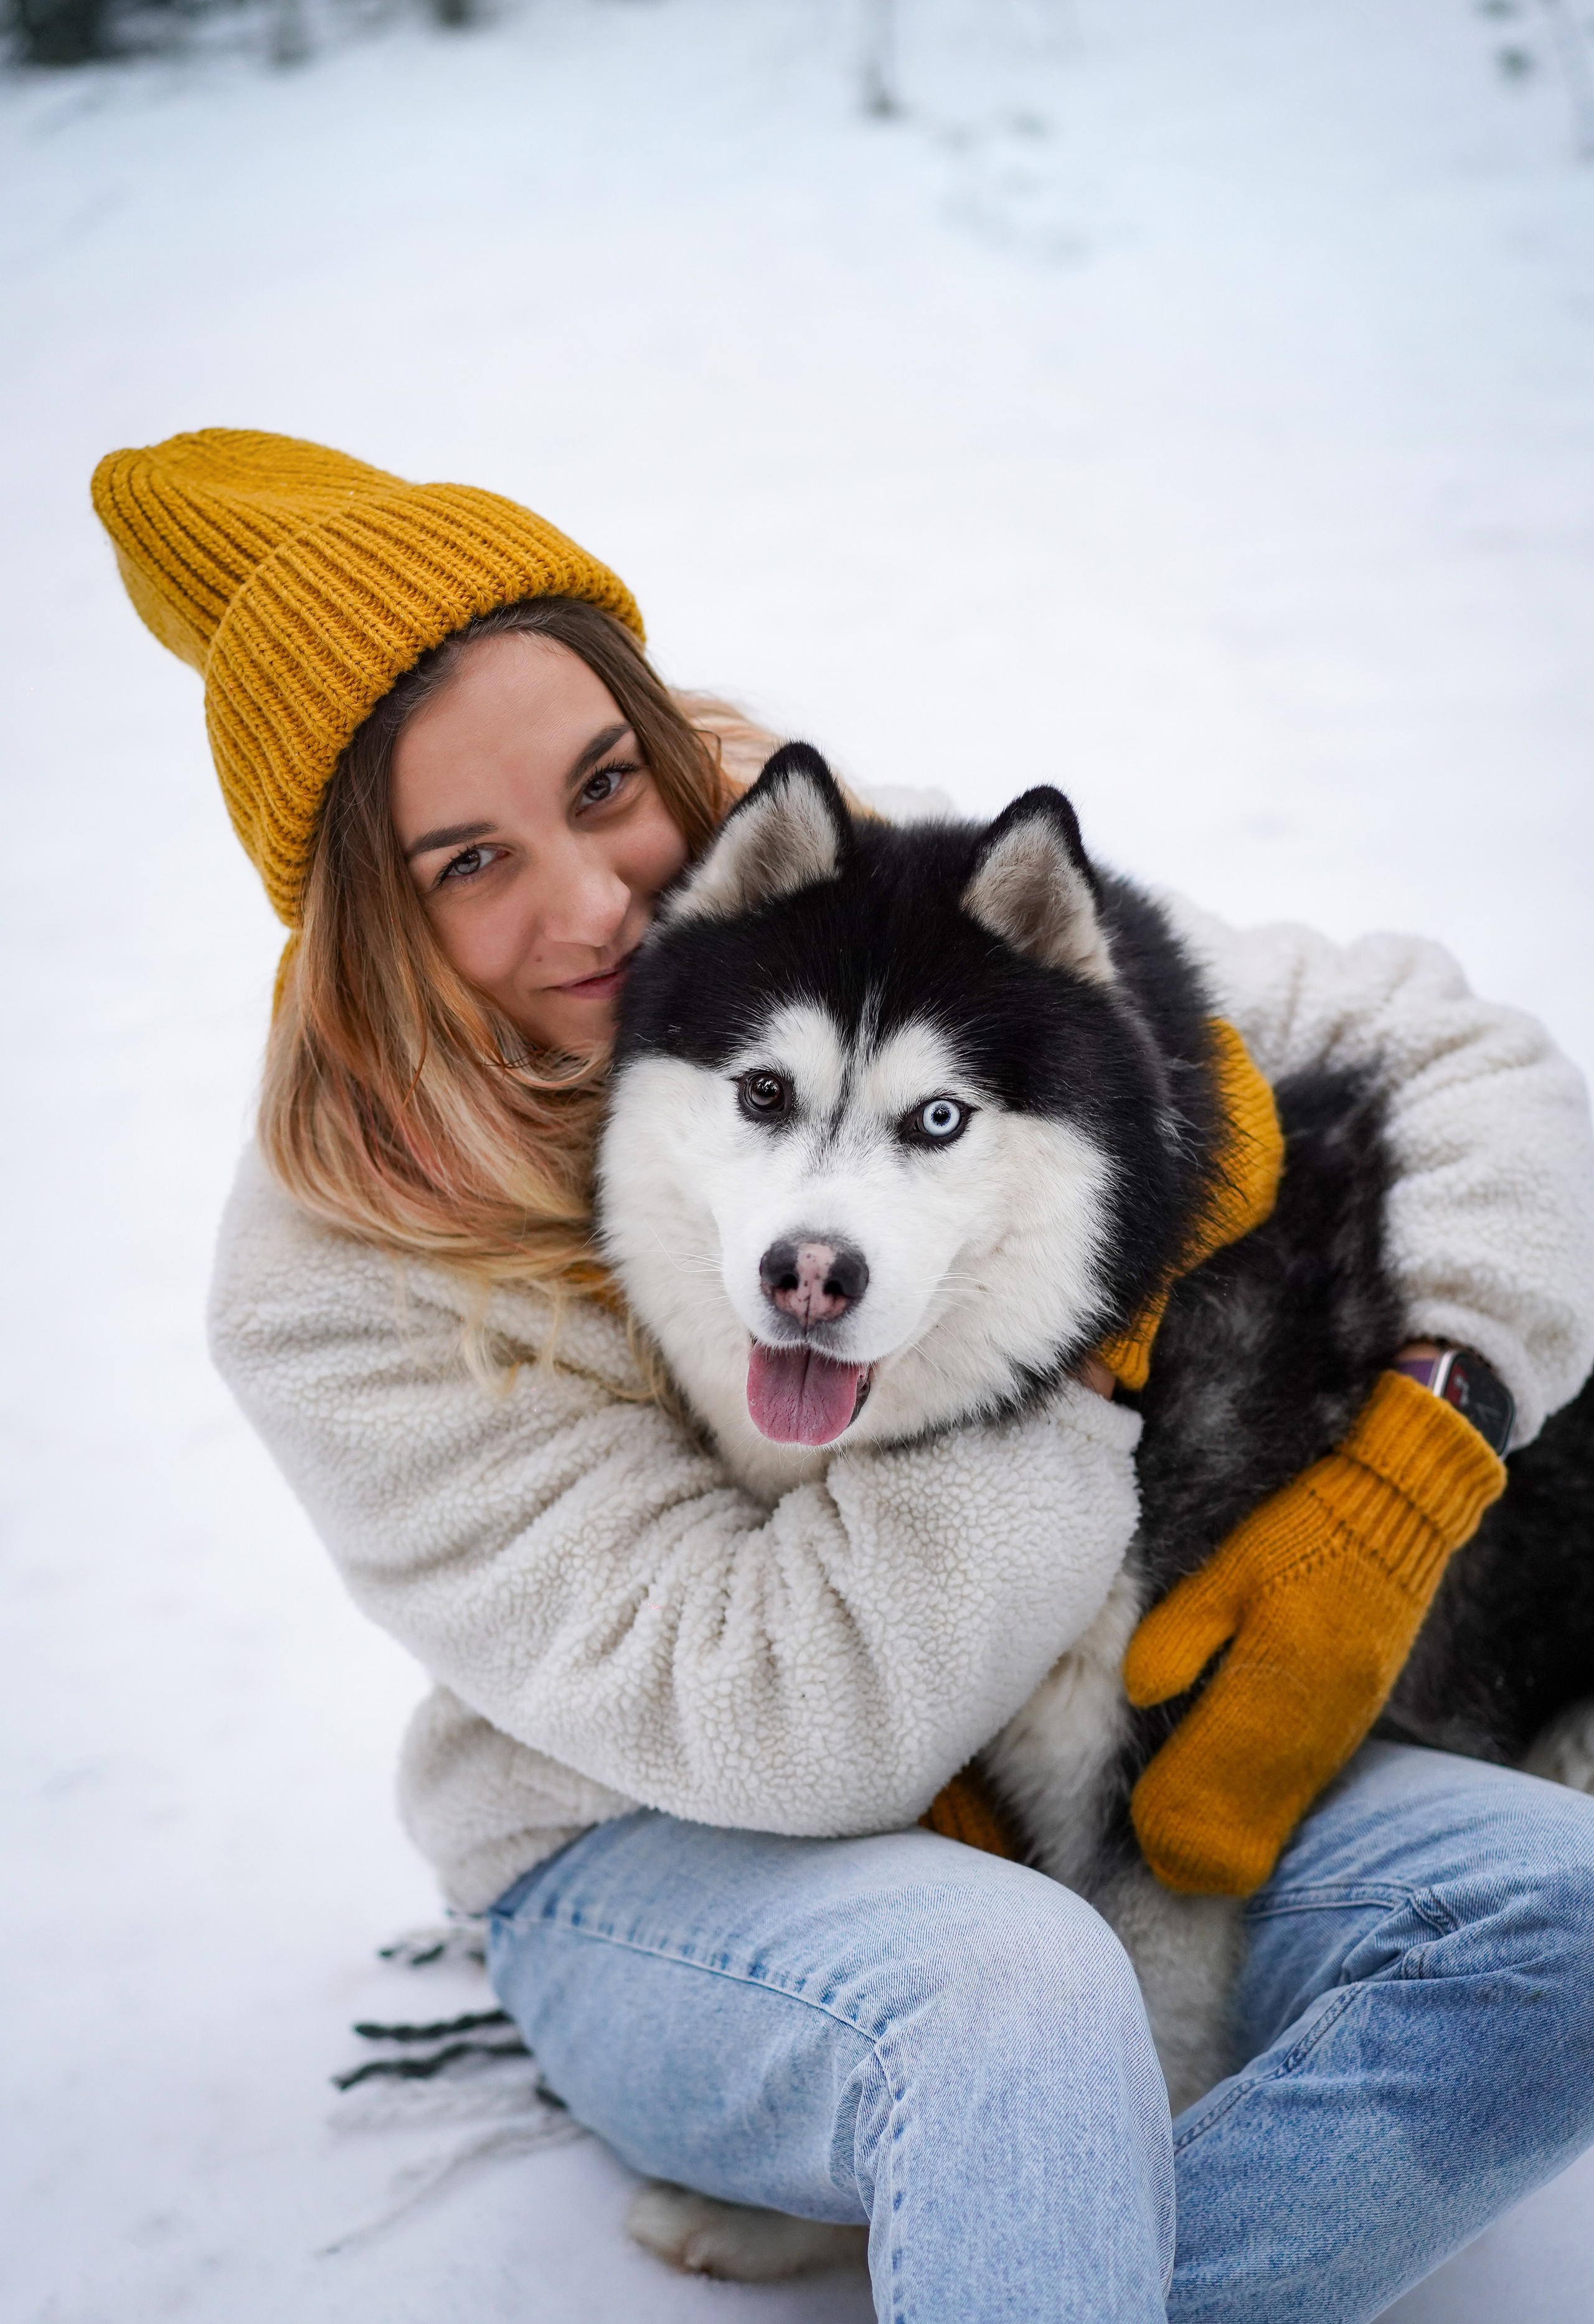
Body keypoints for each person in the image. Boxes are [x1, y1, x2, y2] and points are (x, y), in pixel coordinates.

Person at [94, 428, 1594, 2324]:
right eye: (470, 862)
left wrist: (1427, 1442)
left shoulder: (877, 911)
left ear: (666, 736)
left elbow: (1461, 1056)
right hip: (675, 1869)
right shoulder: (329, 1280)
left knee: (1559, 1916)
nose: (591, 907)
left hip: (1095, 1755)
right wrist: (1077, 1304)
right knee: (1014, 1985)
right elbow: (789, 1732)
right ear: (365, 927)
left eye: (605, 786)